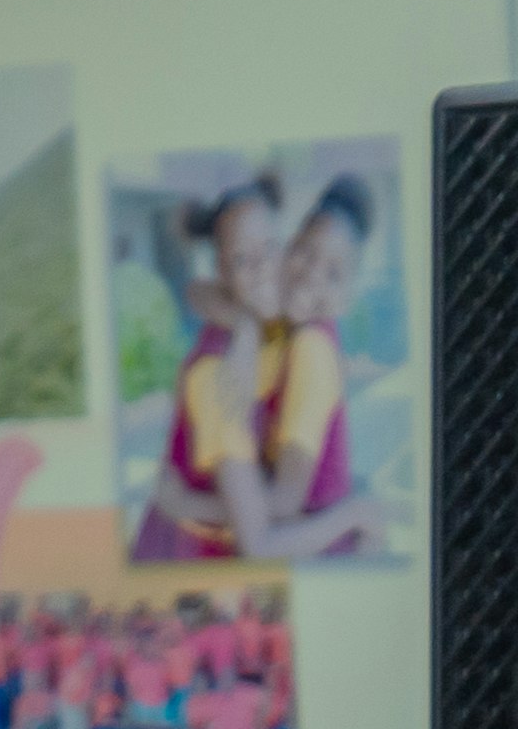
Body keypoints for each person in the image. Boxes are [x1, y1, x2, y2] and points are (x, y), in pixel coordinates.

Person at [131, 173, 384, 563]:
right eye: (242, 259)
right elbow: (258, 541)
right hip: (198, 554)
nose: (266, 269)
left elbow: (200, 291)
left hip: (269, 539)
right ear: (223, 270)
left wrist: (186, 502)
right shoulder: (219, 374)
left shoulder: (302, 333)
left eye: (270, 248)